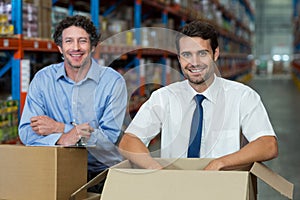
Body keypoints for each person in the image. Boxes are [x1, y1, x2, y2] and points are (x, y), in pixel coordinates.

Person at [118, 20, 278, 170]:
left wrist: (220, 163)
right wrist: (156, 169)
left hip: (222, 186)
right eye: (187, 55)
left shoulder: (242, 96)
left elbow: (268, 144)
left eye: (202, 53)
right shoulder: (164, 97)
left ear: (215, 54)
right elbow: (129, 141)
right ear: (179, 58)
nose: (194, 62)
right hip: (175, 187)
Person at [18, 15, 127, 192]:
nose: (76, 48)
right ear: (60, 48)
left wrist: (59, 128)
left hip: (104, 172)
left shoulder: (113, 82)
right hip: (58, 168)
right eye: (69, 41)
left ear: (93, 46)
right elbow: (26, 133)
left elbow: (109, 139)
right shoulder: (43, 79)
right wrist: (65, 138)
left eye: (82, 41)